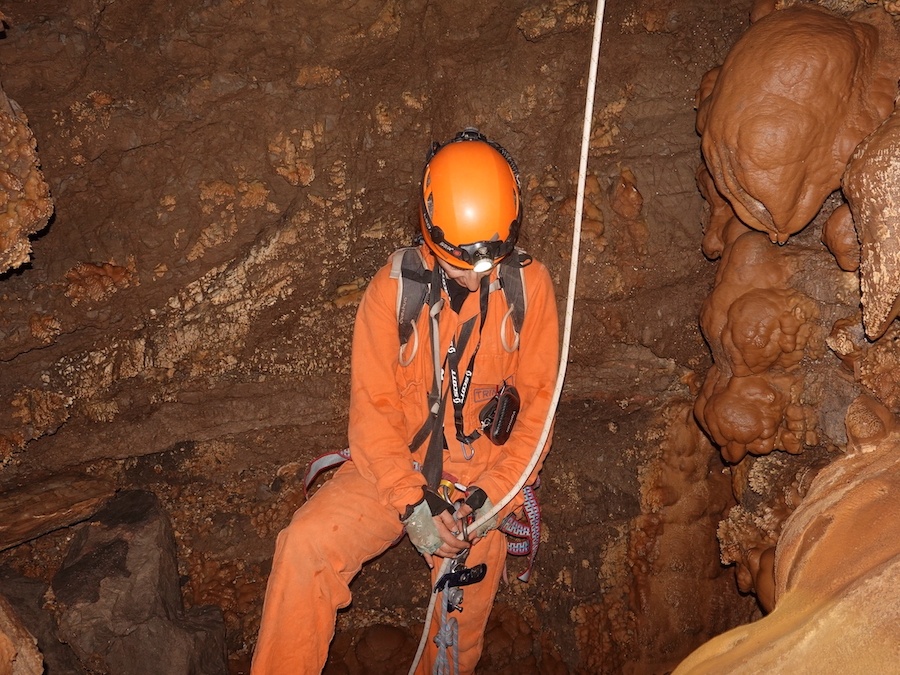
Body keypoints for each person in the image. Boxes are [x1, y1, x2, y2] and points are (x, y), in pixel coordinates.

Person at [251, 128, 560, 674]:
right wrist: (412, 502)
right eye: (462, 262)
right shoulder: (393, 293)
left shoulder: (529, 288)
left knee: (454, 643)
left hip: (484, 481)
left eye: (488, 262)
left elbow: (538, 409)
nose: (475, 273)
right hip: (395, 465)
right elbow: (372, 413)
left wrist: (493, 499)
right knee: (305, 547)